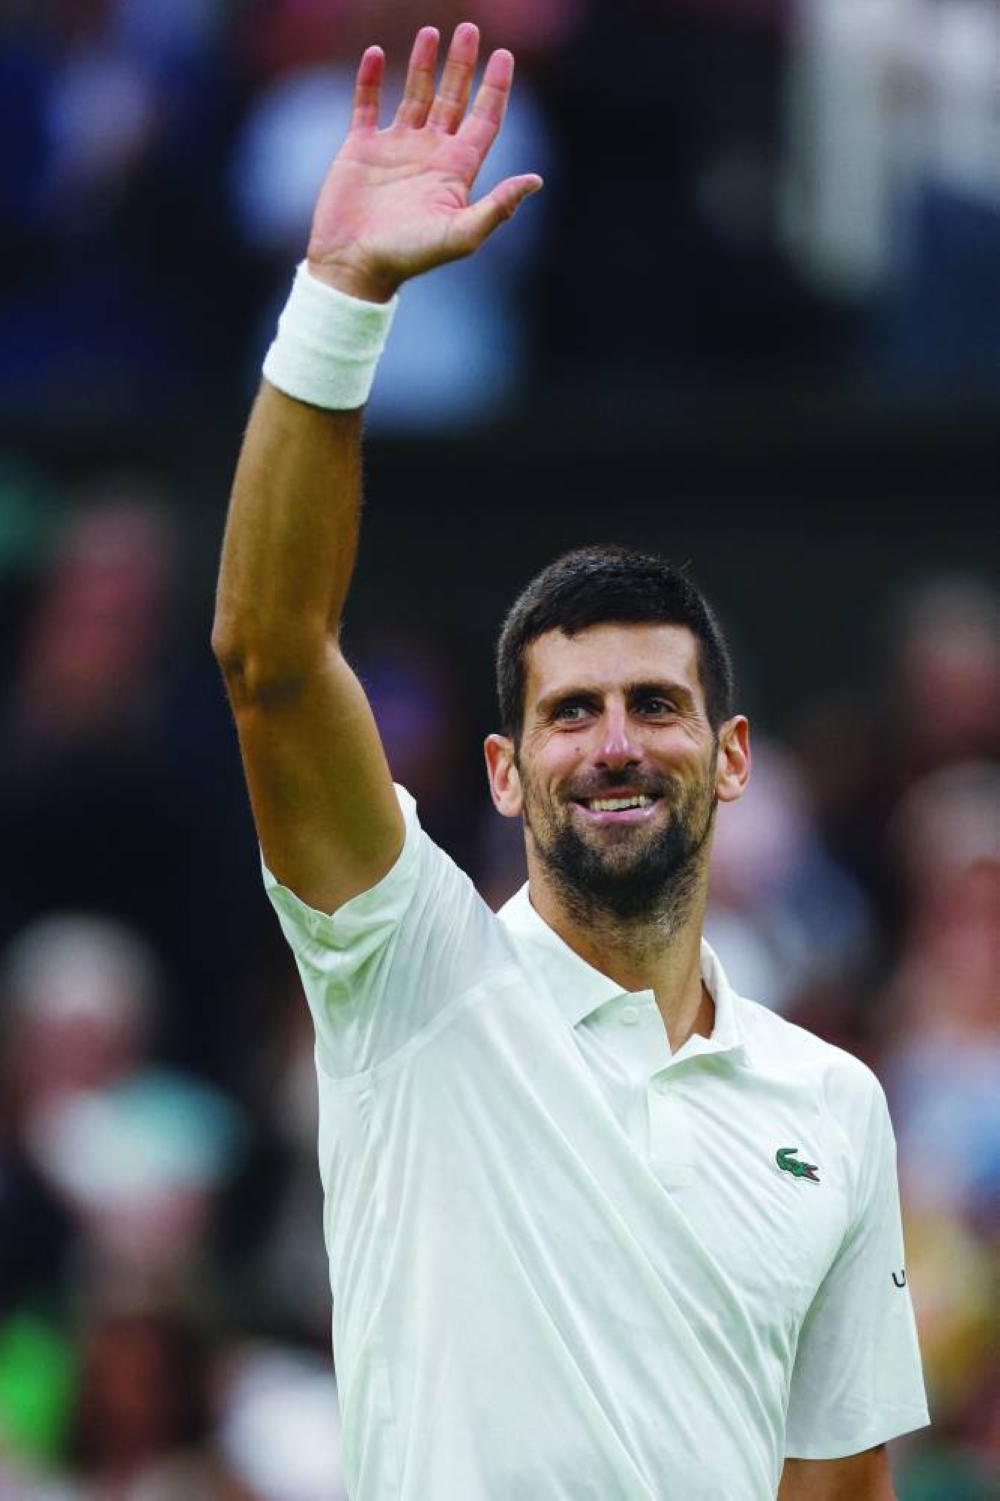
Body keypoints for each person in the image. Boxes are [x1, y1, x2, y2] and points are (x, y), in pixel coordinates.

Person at [212, 21, 930, 1500]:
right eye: (570, 710)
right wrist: (342, 298)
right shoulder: (408, 980)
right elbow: (270, 658)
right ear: (499, 769)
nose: (615, 741)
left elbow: (837, 1485)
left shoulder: (832, 1108)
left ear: (731, 758)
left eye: (656, 705)